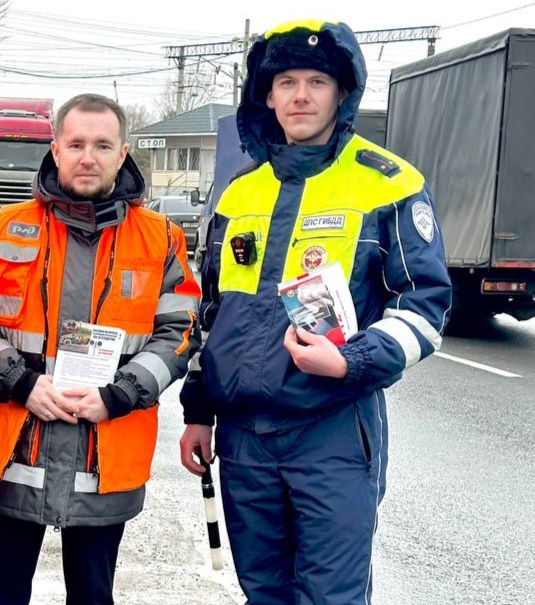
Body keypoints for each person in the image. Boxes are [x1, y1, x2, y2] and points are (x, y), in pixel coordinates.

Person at [178, 20, 452, 604]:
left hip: (331, 430)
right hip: (243, 440)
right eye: (286, 82)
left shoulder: (388, 184)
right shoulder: (238, 193)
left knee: (332, 596)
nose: (300, 95)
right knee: (263, 593)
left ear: (341, 92)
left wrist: (350, 362)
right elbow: (212, 314)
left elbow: (425, 305)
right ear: (267, 95)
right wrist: (197, 411)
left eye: (318, 81)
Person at [0, 93, 201, 605]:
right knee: (1, 596)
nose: (87, 156)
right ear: (55, 149)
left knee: (94, 596)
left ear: (123, 154)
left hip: (105, 454)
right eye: (75, 144)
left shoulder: (160, 238)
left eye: (102, 145)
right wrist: (19, 381)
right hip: (17, 453)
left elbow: (181, 331)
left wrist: (119, 394)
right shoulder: (1, 231)